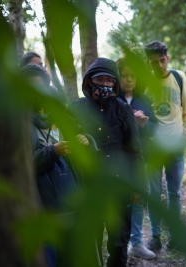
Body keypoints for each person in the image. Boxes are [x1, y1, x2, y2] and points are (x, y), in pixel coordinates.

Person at [68, 57, 145, 267]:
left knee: (119, 239)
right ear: (90, 81)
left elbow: (135, 149)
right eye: (100, 79)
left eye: (110, 81)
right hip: (88, 183)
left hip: (119, 181)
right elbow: (65, 140)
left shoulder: (122, 109)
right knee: (91, 236)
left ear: (115, 84)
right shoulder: (76, 107)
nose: (105, 85)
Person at [22, 63, 89, 267]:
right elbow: (21, 165)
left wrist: (85, 140)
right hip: (43, 212)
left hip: (71, 207)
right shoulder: (18, 121)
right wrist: (53, 151)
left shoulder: (59, 115)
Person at [143, 41, 186, 250]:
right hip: (153, 148)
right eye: (153, 63)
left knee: (174, 193)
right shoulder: (144, 83)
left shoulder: (179, 78)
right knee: (153, 193)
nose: (159, 66)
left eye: (162, 61)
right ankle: (155, 236)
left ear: (168, 58)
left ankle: (175, 235)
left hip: (175, 147)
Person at [116, 57, 158, 259]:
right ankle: (119, 242)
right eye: (125, 75)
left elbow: (154, 128)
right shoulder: (113, 99)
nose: (129, 79)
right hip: (118, 160)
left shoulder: (143, 99)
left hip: (141, 159)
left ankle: (137, 242)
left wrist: (143, 124)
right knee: (121, 199)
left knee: (139, 197)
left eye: (133, 76)